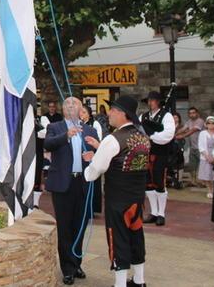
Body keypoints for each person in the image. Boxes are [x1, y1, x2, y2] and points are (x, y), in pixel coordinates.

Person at [83, 95, 151, 287]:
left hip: (118, 200)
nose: (110, 113)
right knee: (136, 236)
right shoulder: (143, 138)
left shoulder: (113, 139)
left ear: (123, 114)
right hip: (137, 198)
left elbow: (97, 169)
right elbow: (127, 161)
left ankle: (120, 284)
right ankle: (139, 280)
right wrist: (99, 151)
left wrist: (88, 169)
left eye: (113, 110)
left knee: (117, 238)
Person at [44, 97, 99, 285]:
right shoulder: (55, 127)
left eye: (74, 103)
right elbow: (48, 144)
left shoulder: (90, 130)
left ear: (81, 109)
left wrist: (94, 155)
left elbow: (100, 154)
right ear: (62, 108)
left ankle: (77, 264)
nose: (70, 106)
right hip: (62, 184)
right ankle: (67, 268)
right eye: (67, 103)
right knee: (65, 227)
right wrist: (66, 135)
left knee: (80, 226)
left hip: (82, 183)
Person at [139, 91, 175, 226]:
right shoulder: (143, 116)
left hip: (160, 153)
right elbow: (138, 130)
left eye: (153, 100)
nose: (150, 103)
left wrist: (152, 137)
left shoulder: (167, 116)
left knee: (159, 182)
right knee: (148, 183)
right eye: (149, 100)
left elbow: (168, 134)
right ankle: (153, 212)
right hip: (146, 153)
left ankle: (161, 214)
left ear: (158, 102)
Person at [80, 104, 103, 214]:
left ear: (89, 114)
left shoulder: (94, 124)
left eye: (84, 112)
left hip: (92, 157)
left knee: (92, 183)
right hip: (81, 159)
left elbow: (98, 141)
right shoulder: (77, 125)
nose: (82, 114)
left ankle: (92, 208)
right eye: (81, 112)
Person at [198, 115, 214, 198]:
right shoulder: (202, 133)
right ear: (206, 124)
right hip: (205, 157)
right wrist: (207, 157)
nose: (211, 125)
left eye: (213, 123)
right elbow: (201, 146)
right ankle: (209, 190)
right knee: (207, 175)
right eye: (209, 123)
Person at [185, 107, 205, 185]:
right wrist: (175, 134)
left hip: (200, 148)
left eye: (193, 113)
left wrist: (180, 136)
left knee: (201, 165)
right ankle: (193, 181)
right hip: (192, 147)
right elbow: (183, 128)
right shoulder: (189, 121)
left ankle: (201, 182)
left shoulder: (200, 121)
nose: (192, 114)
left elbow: (192, 131)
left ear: (197, 113)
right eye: (190, 113)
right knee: (192, 166)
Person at [168, 112, 187, 188]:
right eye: (173, 117)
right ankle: (173, 180)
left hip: (179, 146)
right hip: (171, 147)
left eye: (176, 117)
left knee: (180, 163)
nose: (175, 119)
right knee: (172, 164)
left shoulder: (182, 126)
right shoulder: (168, 126)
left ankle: (179, 180)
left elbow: (183, 135)